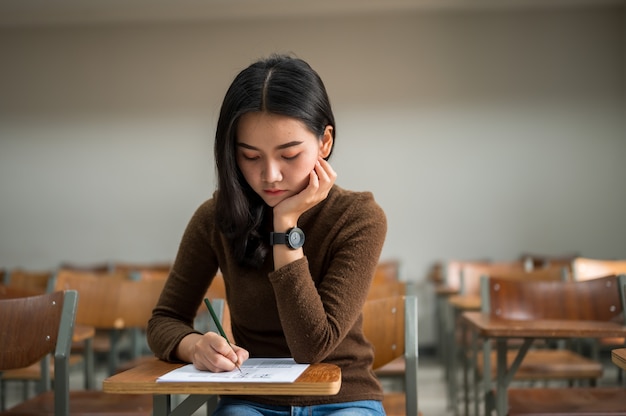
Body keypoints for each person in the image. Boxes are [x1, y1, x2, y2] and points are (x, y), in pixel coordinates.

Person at [147, 54, 388, 415]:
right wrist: (193, 345)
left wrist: (285, 226)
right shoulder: (214, 218)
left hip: (343, 397)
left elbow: (310, 347)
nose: (270, 175)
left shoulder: (358, 218)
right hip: (252, 399)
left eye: (289, 155)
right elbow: (164, 320)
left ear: (324, 142)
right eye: (250, 156)